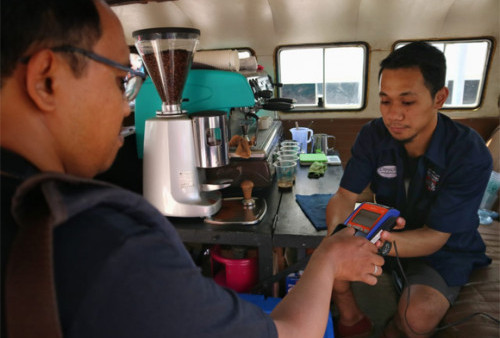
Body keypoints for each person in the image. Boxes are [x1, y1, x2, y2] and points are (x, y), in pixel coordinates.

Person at [0, 0, 385, 337]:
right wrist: (327, 258)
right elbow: (292, 333)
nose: (126, 108)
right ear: (47, 80)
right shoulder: (106, 245)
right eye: (123, 81)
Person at [325, 41, 493, 338]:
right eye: (386, 101)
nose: (393, 115)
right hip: (385, 234)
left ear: (439, 98)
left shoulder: (468, 153)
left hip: (443, 251)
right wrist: (337, 236)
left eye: (407, 102)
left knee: (416, 319)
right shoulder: (373, 135)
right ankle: (352, 319)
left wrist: (371, 244)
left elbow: (435, 237)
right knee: (328, 264)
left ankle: (392, 329)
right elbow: (344, 197)